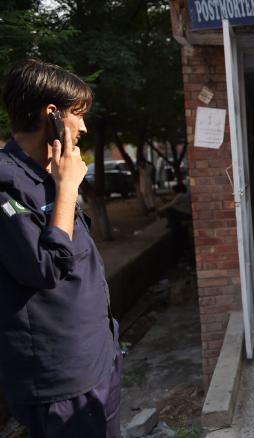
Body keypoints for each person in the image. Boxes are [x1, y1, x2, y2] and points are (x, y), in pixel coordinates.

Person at [0, 59, 121, 437]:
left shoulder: (50, 171)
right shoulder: (7, 185)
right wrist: (68, 188)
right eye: (77, 115)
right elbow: (44, 267)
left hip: (98, 357)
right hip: (62, 380)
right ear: (51, 114)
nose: (83, 127)